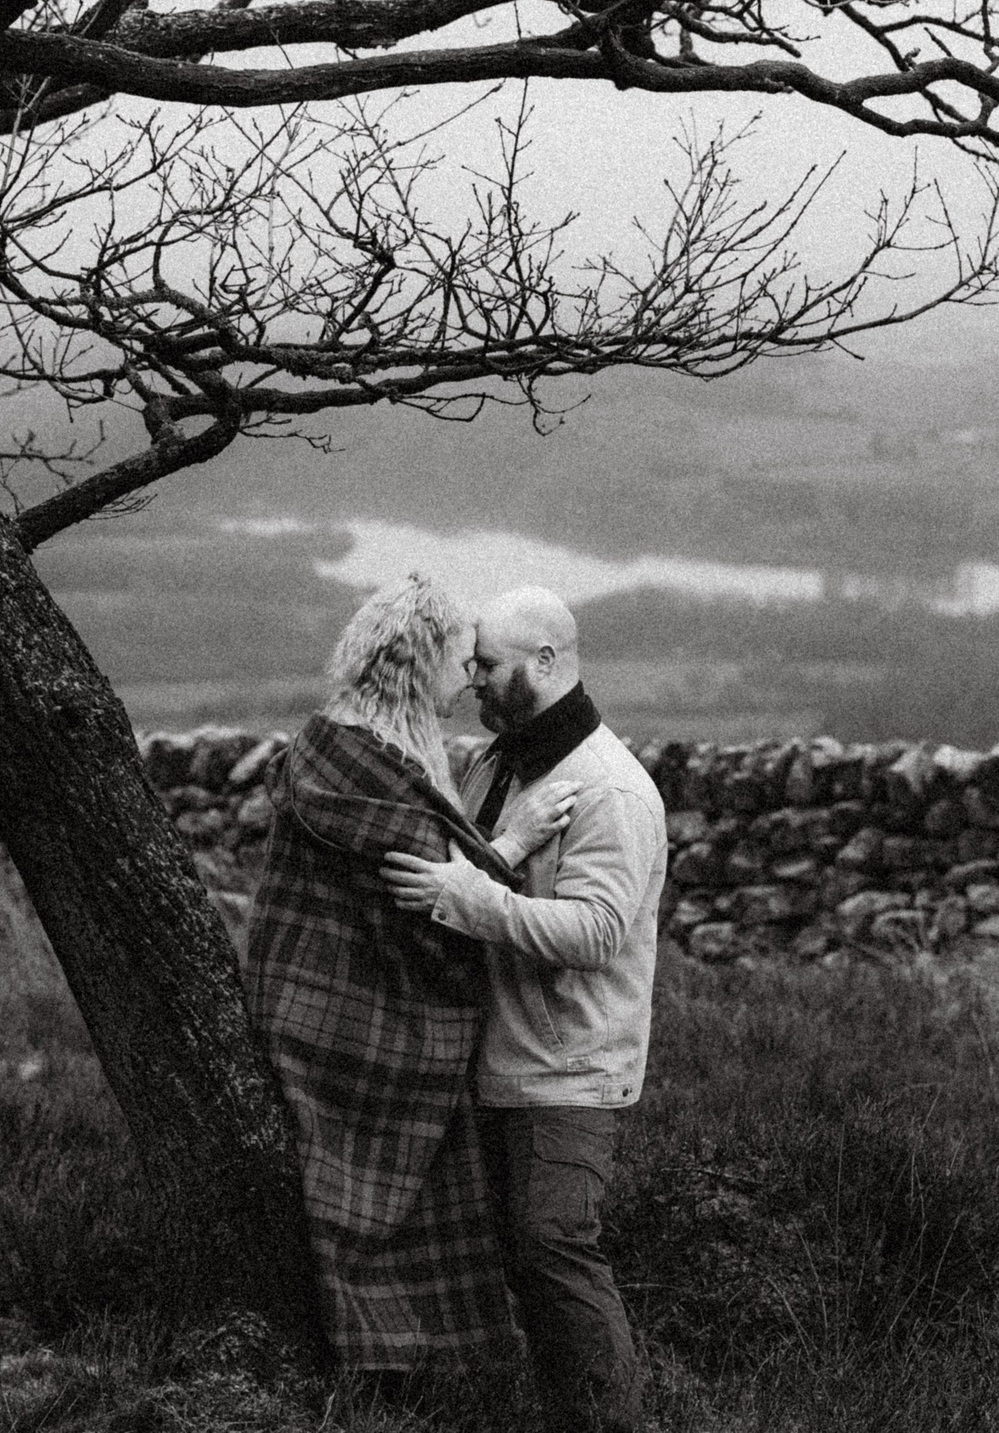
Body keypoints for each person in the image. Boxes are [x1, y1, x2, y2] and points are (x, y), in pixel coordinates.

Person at [243, 574, 577, 1392]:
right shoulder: (371, 765)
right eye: (461, 663)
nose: (470, 682)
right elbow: (436, 892)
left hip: (306, 1000)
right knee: (383, 1186)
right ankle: (402, 1362)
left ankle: (408, 1370)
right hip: (347, 1016)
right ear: (419, 661)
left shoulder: (336, 741)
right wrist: (519, 838)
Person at [379, 585, 667, 1433]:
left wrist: (471, 899)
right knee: (517, 1257)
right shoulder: (494, 766)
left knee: (553, 1247)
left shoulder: (609, 789)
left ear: (546, 662)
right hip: (499, 1061)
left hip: (568, 1069)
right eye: (471, 664)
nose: (472, 680)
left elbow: (598, 931)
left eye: (489, 665)